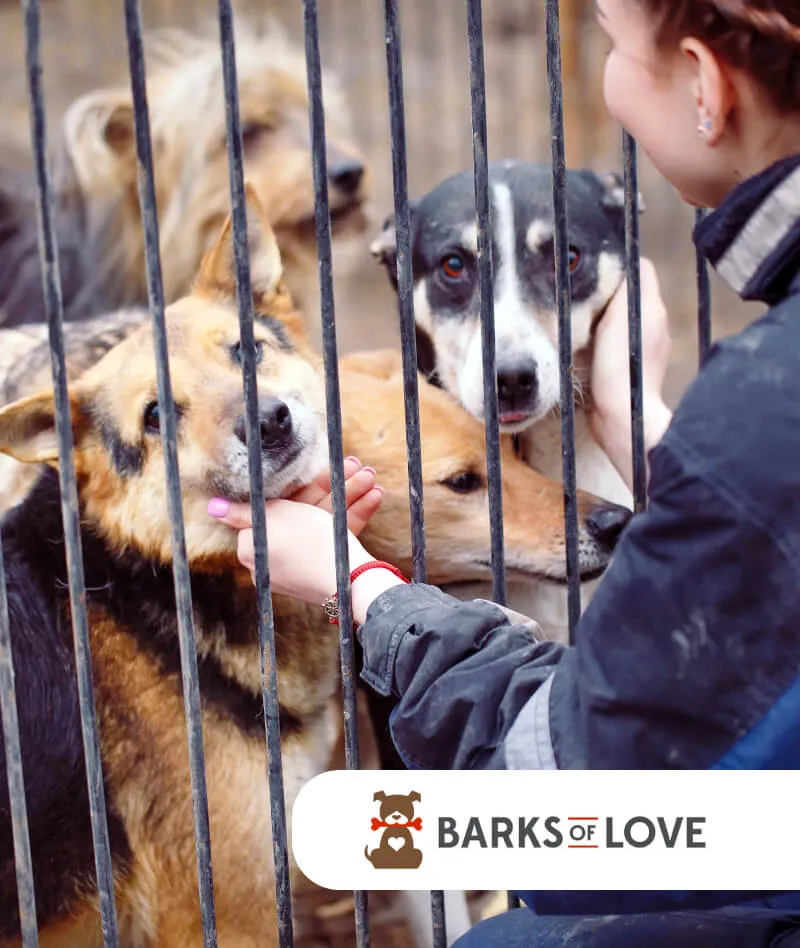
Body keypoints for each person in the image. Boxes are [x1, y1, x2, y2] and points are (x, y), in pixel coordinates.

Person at [208, 0, 800, 943]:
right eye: (454, 272)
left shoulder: (759, 406)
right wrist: (639, 421)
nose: (513, 350)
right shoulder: (759, 384)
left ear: (706, 85)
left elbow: (574, 807)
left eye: (611, 47)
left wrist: (357, 589)